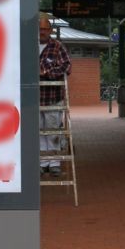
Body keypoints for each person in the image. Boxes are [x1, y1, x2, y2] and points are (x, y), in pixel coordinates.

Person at [39, 13, 72, 175]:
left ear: (50, 30)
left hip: (53, 98)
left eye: (45, 29)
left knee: (52, 131)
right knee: (37, 130)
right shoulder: (28, 46)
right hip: (33, 98)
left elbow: (67, 67)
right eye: (40, 29)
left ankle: (54, 163)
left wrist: (45, 71)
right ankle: (42, 162)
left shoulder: (58, 47)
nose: (42, 31)